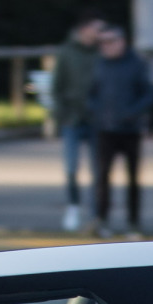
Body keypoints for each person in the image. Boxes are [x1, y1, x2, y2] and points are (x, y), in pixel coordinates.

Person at [89, 23, 153, 237]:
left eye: (109, 42)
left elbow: (149, 94)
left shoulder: (136, 64)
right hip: (105, 129)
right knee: (102, 177)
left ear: (121, 42)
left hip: (130, 130)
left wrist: (132, 112)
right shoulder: (99, 65)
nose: (105, 46)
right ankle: (102, 220)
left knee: (133, 178)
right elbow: (90, 93)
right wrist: (97, 111)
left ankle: (134, 223)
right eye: (102, 42)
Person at [49, 16, 102, 232]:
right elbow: (57, 86)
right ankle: (73, 207)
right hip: (73, 119)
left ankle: (97, 213)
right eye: (96, 28)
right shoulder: (67, 52)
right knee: (71, 167)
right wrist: (63, 115)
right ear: (84, 29)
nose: (99, 33)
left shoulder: (102, 52)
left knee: (99, 170)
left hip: (97, 120)